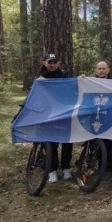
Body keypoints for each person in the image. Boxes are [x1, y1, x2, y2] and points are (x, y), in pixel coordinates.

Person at [39, 53, 73, 183]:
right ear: (44, 63)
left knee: (67, 142)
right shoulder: (40, 79)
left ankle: (66, 168)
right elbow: (32, 99)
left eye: (55, 62)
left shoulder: (65, 76)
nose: (52, 65)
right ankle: (52, 171)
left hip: (64, 113)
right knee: (51, 144)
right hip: (48, 115)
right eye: (50, 62)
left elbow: (74, 89)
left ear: (58, 63)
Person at [87, 60, 112, 174]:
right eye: (99, 69)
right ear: (96, 70)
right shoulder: (89, 83)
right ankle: (100, 166)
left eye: (104, 68)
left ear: (108, 70)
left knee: (108, 142)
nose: (101, 71)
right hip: (94, 116)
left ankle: (110, 167)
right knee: (97, 141)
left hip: (109, 116)